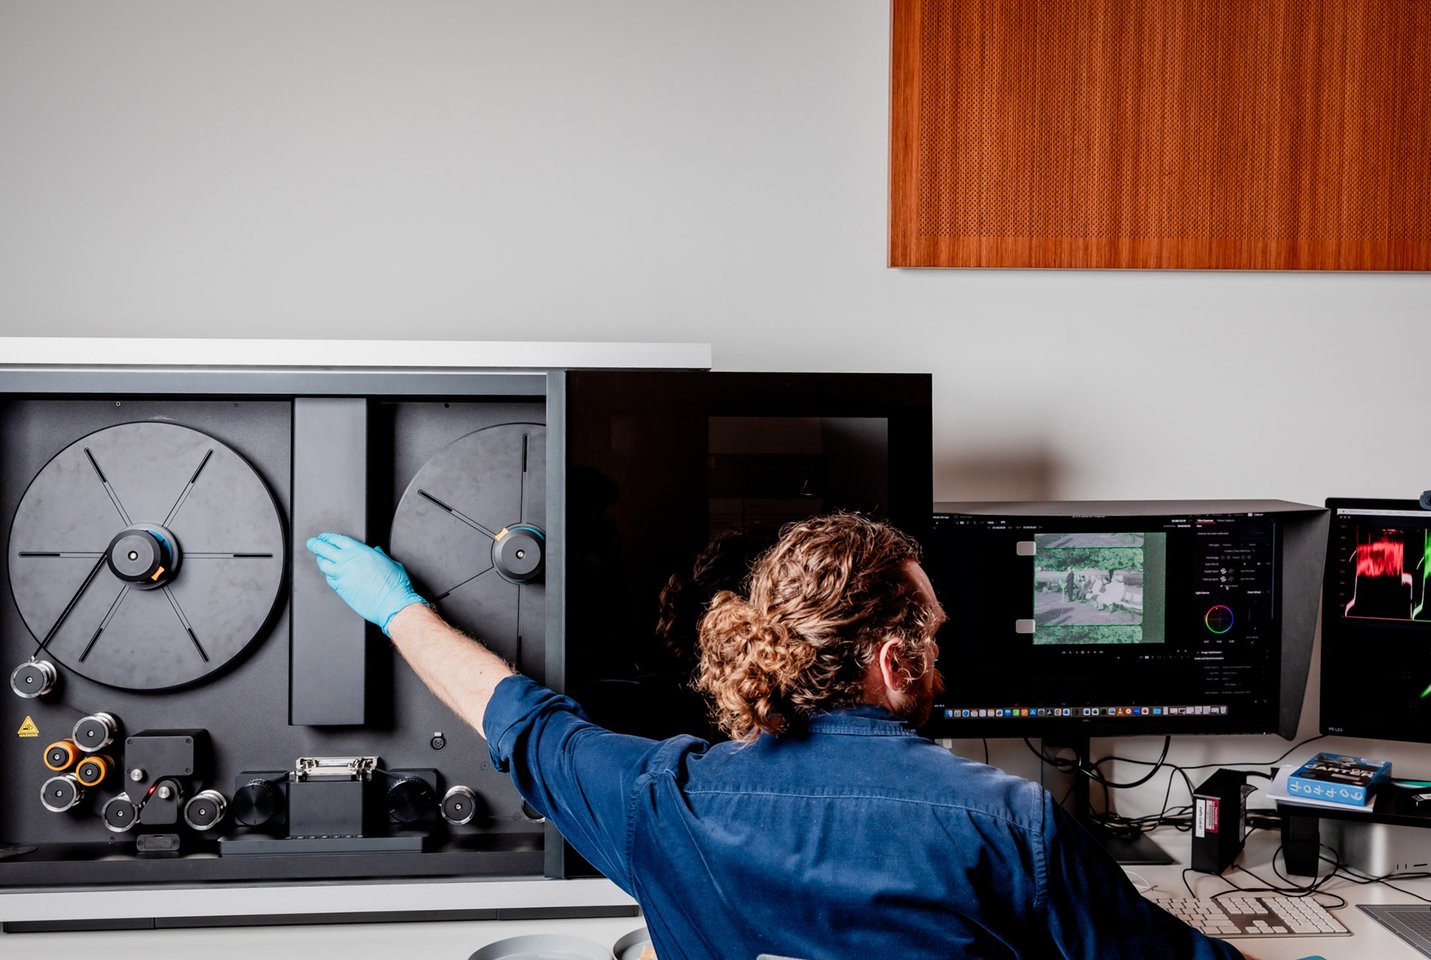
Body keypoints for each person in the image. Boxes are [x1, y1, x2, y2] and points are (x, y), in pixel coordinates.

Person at [307, 515, 1247, 959]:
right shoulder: (1011, 823)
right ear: (891, 662)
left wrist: (396, 609)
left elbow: (516, 717)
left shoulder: (656, 799)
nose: (941, 660)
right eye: (935, 637)